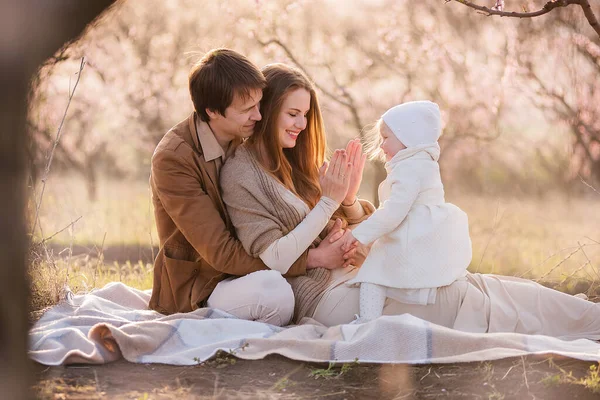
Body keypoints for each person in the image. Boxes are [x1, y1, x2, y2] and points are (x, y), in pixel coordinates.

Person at [221, 62, 600, 341]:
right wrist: (326, 216)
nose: (301, 125)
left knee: (482, 287)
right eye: (292, 114)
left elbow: (362, 221)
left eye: (305, 115)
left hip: (364, 273)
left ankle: (589, 317)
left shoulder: (301, 162)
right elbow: (271, 258)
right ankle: (586, 324)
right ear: (266, 111)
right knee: (467, 302)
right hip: (325, 296)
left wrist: (348, 202)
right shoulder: (242, 174)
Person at [148, 49, 354, 326]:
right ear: (212, 111)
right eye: (247, 109)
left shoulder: (241, 136)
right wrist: (311, 258)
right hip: (206, 282)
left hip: (255, 267)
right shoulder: (174, 158)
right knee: (274, 294)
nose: (259, 116)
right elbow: (221, 253)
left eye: (259, 105)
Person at [341, 101, 472, 323]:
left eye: (385, 138)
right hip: (423, 231)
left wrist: (358, 234)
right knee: (383, 271)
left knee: (373, 275)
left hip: (413, 233)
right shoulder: (421, 163)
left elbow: (393, 212)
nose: (381, 145)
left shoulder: (410, 168)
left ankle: (367, 323)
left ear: (408, 137)